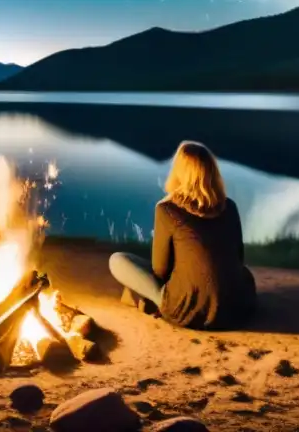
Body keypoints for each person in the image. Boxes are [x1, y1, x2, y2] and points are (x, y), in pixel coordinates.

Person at [108, 140, 256, 329]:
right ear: (212, 172)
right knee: (244, 275)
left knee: (118, 260)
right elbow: (238, 257)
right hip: (236, 309)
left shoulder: (167, 209)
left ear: (179, 172)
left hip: (187, 311)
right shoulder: (230, 206)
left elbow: (160, 270)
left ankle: (153, 300)